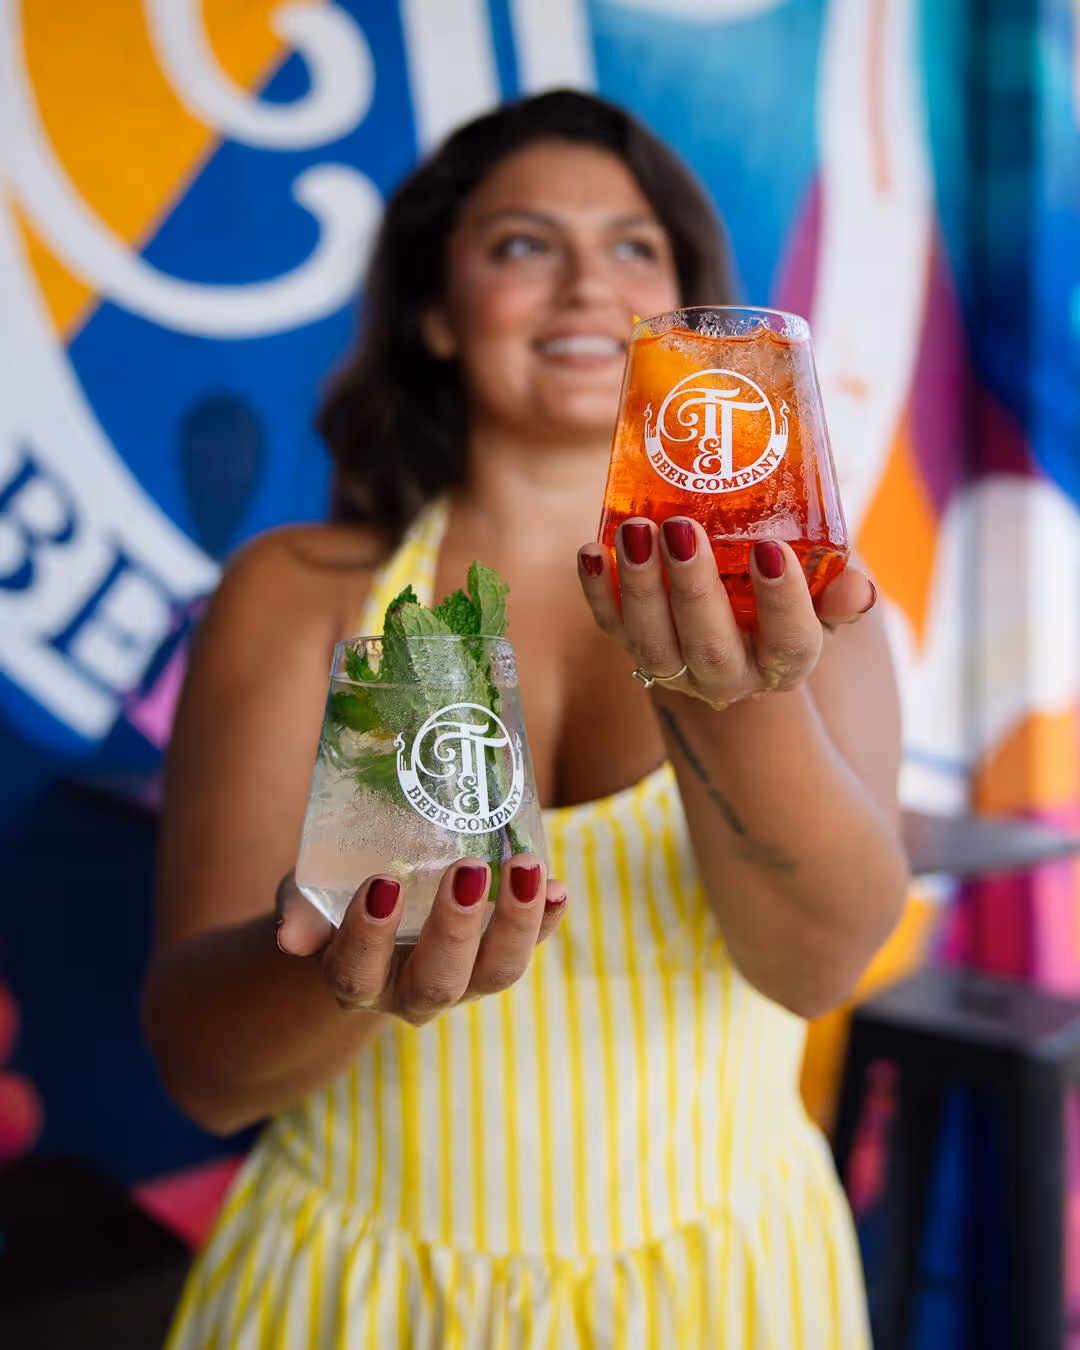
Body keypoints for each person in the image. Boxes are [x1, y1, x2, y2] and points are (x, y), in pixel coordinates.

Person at [146, 89, 908, 1348]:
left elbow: (817, 966)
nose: (584, 287)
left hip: (723, 1290)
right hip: (360, 1298)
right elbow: (204, 1074)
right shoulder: (308, 596)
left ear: (686, 325)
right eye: (520, 245)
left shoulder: (805, 593)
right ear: (437, 317)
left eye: (631, 246)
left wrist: (721, 702)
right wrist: (355, 948)